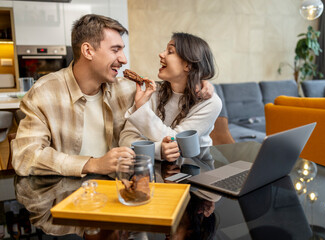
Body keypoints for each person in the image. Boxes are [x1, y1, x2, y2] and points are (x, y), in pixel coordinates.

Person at [11, 14, 213, 177]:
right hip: (69, 200)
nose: (124, 60)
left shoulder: (127, 89)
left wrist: (201, 81)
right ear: (88, 51)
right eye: (115, 50)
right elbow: (25, 156)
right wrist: (93, 164)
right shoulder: (44, 93)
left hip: (121, 192)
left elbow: (170, 89)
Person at [119, 32, 222, 161]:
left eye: (170, 51)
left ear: (188, 65)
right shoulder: (153, 92)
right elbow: (126, 138)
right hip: (156, 168)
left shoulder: (210, 103)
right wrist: (158, 150)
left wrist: (141, 110)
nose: (161, 54)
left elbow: (177, 142)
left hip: (196, 168)